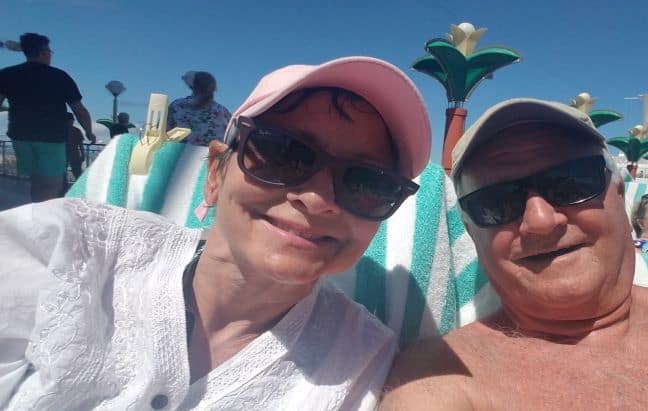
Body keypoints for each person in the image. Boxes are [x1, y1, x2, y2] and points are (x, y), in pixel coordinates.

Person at [0, 56, 431, 410]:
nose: (318, 199)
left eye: (368, 182)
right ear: (214, 173)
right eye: (284, 153)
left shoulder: (364, 361)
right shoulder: (71, 247)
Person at [380, 98, 648, 409]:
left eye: (571, 182)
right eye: (495, 203)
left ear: (621, 195)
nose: (539, 221)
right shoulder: (440, 380)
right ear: (472, 231)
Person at [0, 32, 96, 202]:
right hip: (50, 138)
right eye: (50, 52)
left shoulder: (7, 74)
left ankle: (35, 210)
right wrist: (89, 132)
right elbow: (79, 110)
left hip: (20, 136)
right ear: (44, 53)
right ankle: (40, 219)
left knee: (36, 179)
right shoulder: (59, 76)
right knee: (50, 186)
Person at [167, 71, 232, 146]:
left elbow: (164, 134)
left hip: (183, 156)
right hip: (215, 156)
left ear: (192, 87)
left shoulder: (177, 106)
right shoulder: (223, 111)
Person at [64, 112, 86, 180]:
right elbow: (81, 144)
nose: (72, 121)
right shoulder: (76, 130)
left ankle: (63, 187)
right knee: (77, 172)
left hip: (66, 153)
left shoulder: (61, 130)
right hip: (73, 153)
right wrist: (83, 155)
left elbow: (81, 144)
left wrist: (82, 154)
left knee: (62, 172)